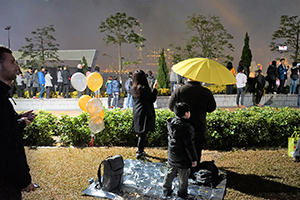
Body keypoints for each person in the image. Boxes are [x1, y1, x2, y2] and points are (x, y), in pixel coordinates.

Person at [0, 45, 36, 198]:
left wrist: (18, 118)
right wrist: (23, 180)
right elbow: (9, 144)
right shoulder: (1, 99)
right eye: (12, 62)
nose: (17, 66)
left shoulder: (3, 96)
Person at [168, 77, 216, 169]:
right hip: (199, 126)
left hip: (181, 127)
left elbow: (171, 106)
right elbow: (212, 108)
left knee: (182, 149)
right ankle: (194, 171)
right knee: (196, 151)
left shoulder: (179, 90)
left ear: (187, 77)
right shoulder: (205, 92)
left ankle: (182, 172)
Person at [162, 102, 197, 200]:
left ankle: (166, 190)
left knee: (170, 173)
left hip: (172, 156)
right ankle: (182, 193)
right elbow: (189, 146)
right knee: (183, 177)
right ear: (186, 114)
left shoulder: (171, 124)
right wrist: (193, 159)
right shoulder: (186, 128)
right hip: (183, 158)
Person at [132, 70, 158, 160]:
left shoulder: (134, 88)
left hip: (137, 113)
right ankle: (139, 152)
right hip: (144, 113)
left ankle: (140, 150)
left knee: (141, 134)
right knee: (143, 134)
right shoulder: (144, 88)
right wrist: (154, 89)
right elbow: (152, 99)